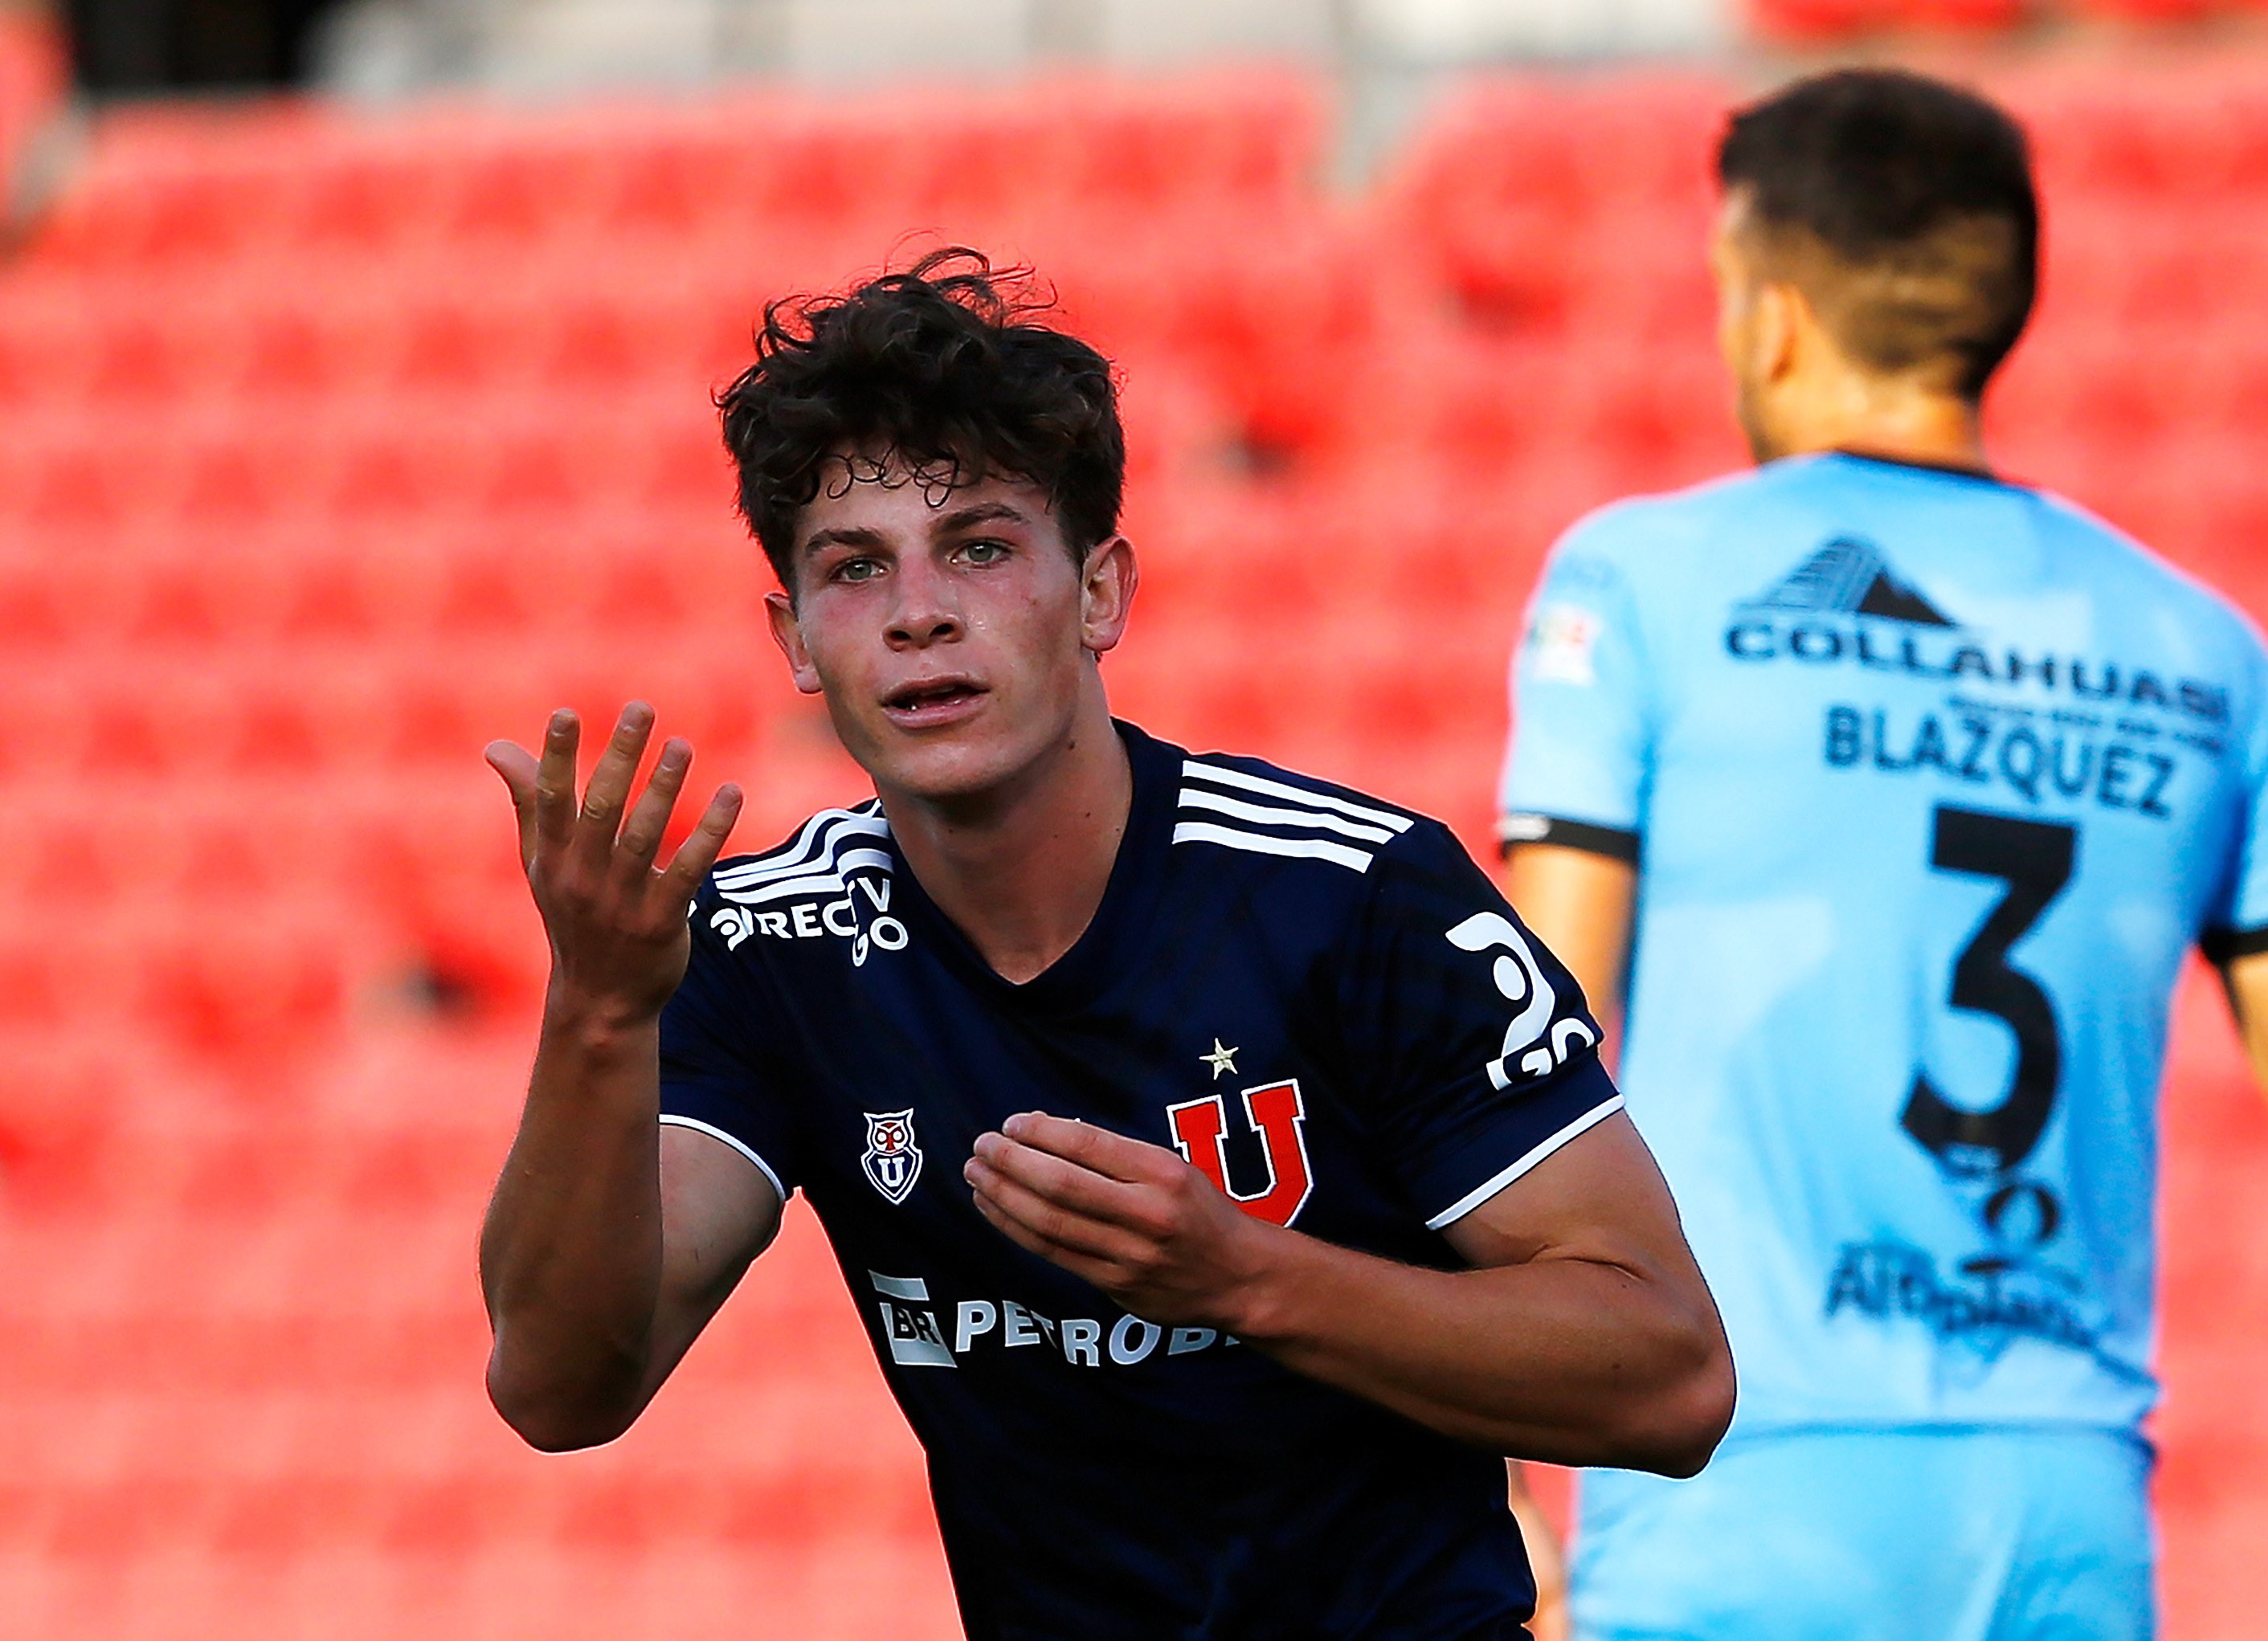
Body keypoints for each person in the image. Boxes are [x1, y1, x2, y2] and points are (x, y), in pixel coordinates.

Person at [475, 252, 1735, 1640]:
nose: (917, 612)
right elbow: (559, 1388)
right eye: (853, 569)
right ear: (795, 641)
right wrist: (595, 1009)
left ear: (1100, 594)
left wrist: (1245, 1277)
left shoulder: (1360, 898)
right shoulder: (773, 946)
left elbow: (1670, 1378)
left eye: (981, 547)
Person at [1499, 71, 2268, 1641]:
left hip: (1727, 1481)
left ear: (1766, 315)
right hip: (2059, 1511)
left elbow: (1524, 1045)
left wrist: (1487, 1474)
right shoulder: (2201, 652)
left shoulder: (1636, 585)